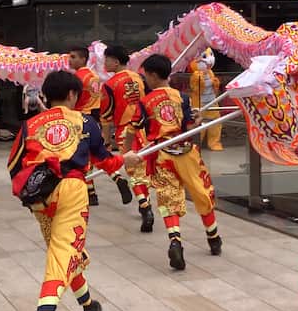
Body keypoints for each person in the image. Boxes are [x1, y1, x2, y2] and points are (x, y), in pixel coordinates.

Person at [8, 70, 131, 311]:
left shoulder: (30, 124)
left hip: (40, 197)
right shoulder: (85, 122)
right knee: (64, 253)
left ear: (46, 96)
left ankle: (89, 306)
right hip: (73, 190)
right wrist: (127, 159)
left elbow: (13, 165)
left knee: (64, 251)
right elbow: (103, 158)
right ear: (74, 95)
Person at [131, 53, 221, 272]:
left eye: (146, 76)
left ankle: (175, 240)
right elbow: (190, 127)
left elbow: (134, 129)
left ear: (152, 75)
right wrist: (197, 119)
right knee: (202, 192)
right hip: (187, 152)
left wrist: (126, 153)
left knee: (167, 198)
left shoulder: (144, 102)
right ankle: (213, 236)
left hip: (161, 154)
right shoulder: (183, 98)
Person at [67, 46, 131, 209]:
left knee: (84, 156)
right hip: (94, 119)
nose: (70, 60)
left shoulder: (77, 78)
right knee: (96, 154)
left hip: (79, 119)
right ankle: (110, 181)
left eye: (73, 57)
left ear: (83, 59)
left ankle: (91, 192)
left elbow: (72, 101)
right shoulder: (94, 77)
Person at [102, 45, 155, 234]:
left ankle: (145, 205)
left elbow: (106, 117)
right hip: (145, 129)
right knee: (143, 169)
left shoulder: (109, 85)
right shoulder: (140, 78)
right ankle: (145, 204)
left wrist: (106, 141)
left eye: (107, 59)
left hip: (126, 131)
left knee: (133, 170)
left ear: (116, 61)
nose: (104, 62)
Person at [189, 52, 224, 151]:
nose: (210, 59)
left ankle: (214, 142)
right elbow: (195, 88)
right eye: (204, 56)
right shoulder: (195, 75)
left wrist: (215, 83)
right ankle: (197, 143)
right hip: (200, 104)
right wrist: (199, 80)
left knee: (215, 124)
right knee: (200, 124)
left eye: (211, 55)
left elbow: (214, 88)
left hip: (212, 102)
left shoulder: (210, 72)